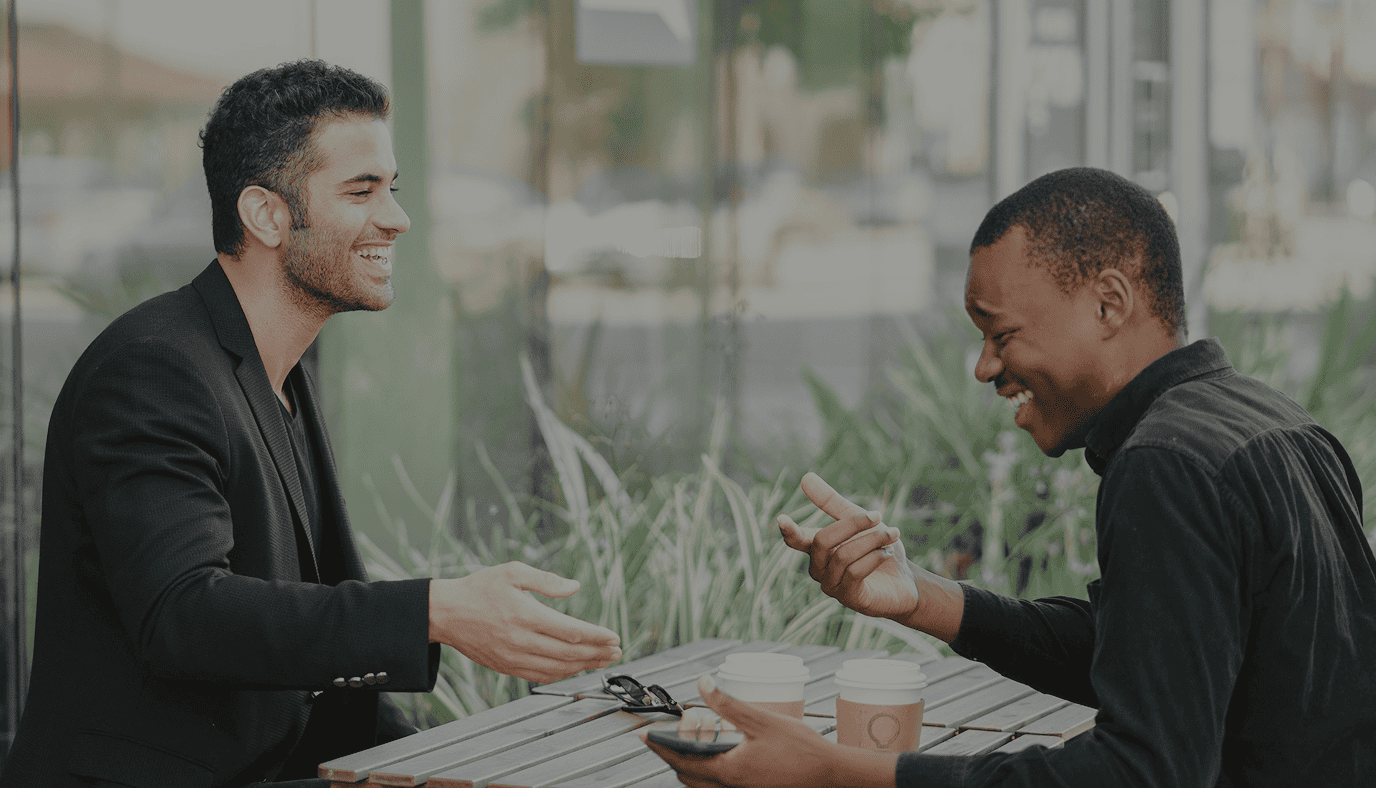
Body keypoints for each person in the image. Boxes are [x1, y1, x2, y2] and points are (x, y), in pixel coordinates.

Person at [642, 167, 1376, 786]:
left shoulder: (1167, 463)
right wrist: (921, 597)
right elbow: (1157, 650)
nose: (985, 368)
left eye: (1001, 334)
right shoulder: (1275, 423)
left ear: (1109, 303)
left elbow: (1141, 772)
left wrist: (843, 771)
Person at [0, 60, 621, 788]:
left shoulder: (278, 368)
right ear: (265, 214)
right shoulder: (152, 371)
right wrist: (436, 609)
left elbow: (313, 678)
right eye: (361, 190)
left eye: (392, 188)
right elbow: (184, 613)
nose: (396, 217)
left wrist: (464, 761)